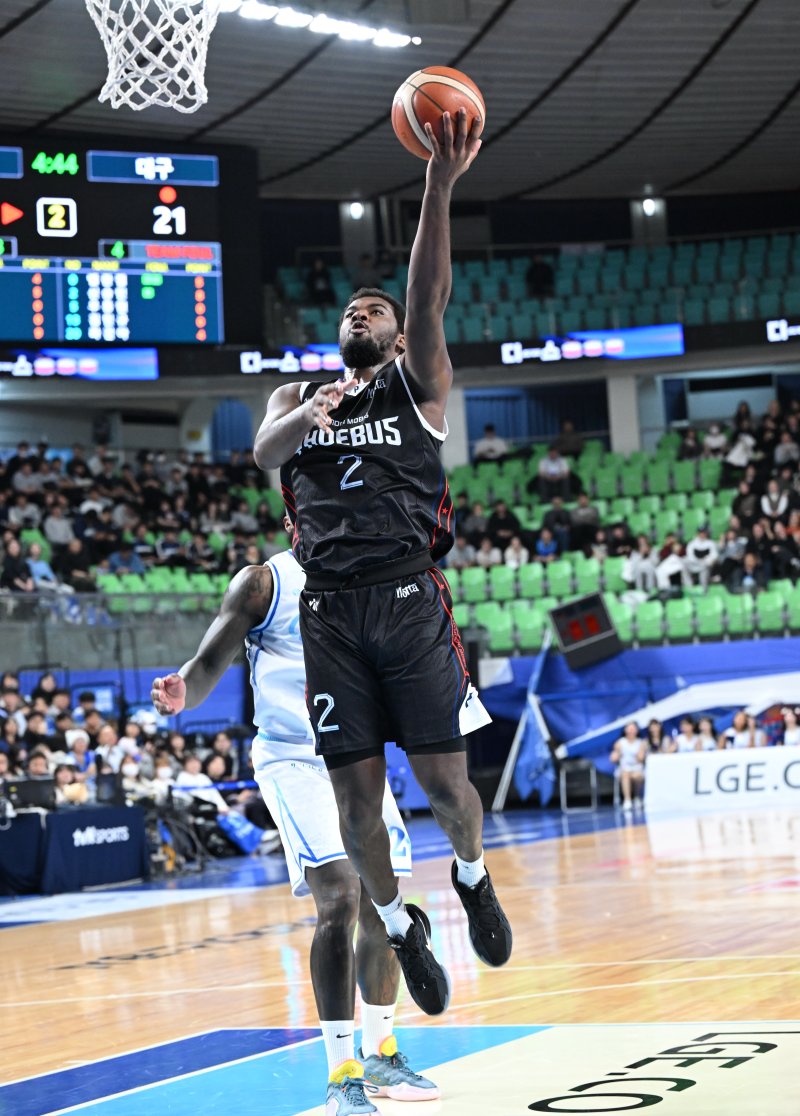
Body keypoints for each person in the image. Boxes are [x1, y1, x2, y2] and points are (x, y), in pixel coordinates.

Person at [252, 107, 511, 1027]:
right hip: (329, 613)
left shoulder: (417, 385)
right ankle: (402, 926)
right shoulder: (297, 395)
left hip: (408, 602)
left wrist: (438, 183)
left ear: (399, 339)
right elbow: (265, 454)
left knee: (447, 790)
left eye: (376, 312)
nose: (359, 314)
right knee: (358, 811)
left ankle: (473, 878)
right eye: (349, 311)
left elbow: (429, 294)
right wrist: (308, 413)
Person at [152, 545, 438, 1114]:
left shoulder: (373, 569)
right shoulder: (264, 583)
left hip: (356, 755)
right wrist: (184, 687)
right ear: (294, 516)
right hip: (292, 758)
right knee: (340, 898)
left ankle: (380, 1051)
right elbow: (208, 662)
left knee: (384, 904)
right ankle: (341, 1074)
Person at [609, 722, 646, 811]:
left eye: (633, 729)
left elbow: (641, 758)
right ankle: (627, 800)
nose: (631, 731)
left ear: (637, 730)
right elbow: (612, 758)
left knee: (636, 776)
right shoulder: (620, 742)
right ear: (625, 730)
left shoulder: (641, 742)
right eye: (629, 729)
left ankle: (637, 797)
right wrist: (617, 754)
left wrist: (637, 755)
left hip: (637, 768)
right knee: (625, 774)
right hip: (624, 768)